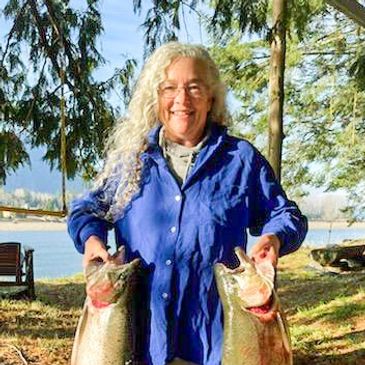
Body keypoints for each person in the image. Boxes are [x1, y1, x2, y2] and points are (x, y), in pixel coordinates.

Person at [68, 41, 307, 365]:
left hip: (218, 348)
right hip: (140, 348)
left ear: (211, 97)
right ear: (156, 97)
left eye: (194, 87)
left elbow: (287, 215)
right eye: (170, 88)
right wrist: (91, 239)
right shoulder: (131, 162)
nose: (182, 99)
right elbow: (85, 210)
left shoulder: (241, 160)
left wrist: (273, 238)